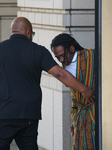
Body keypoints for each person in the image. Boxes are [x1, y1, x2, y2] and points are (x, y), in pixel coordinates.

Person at [0, 17, 95, 150]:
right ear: (28, 32)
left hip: (3, 113)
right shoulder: (38, 51)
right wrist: (84, 89)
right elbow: (59, 73)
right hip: (29, 114)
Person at [51, 33, 95, 150]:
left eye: (62, 55)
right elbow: (75, 97)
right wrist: (73, 120)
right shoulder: (63, 69)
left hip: (98, 112)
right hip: (81, 116)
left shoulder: (92, 56)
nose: (61, 60)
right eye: (58, 58)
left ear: (71, 48)